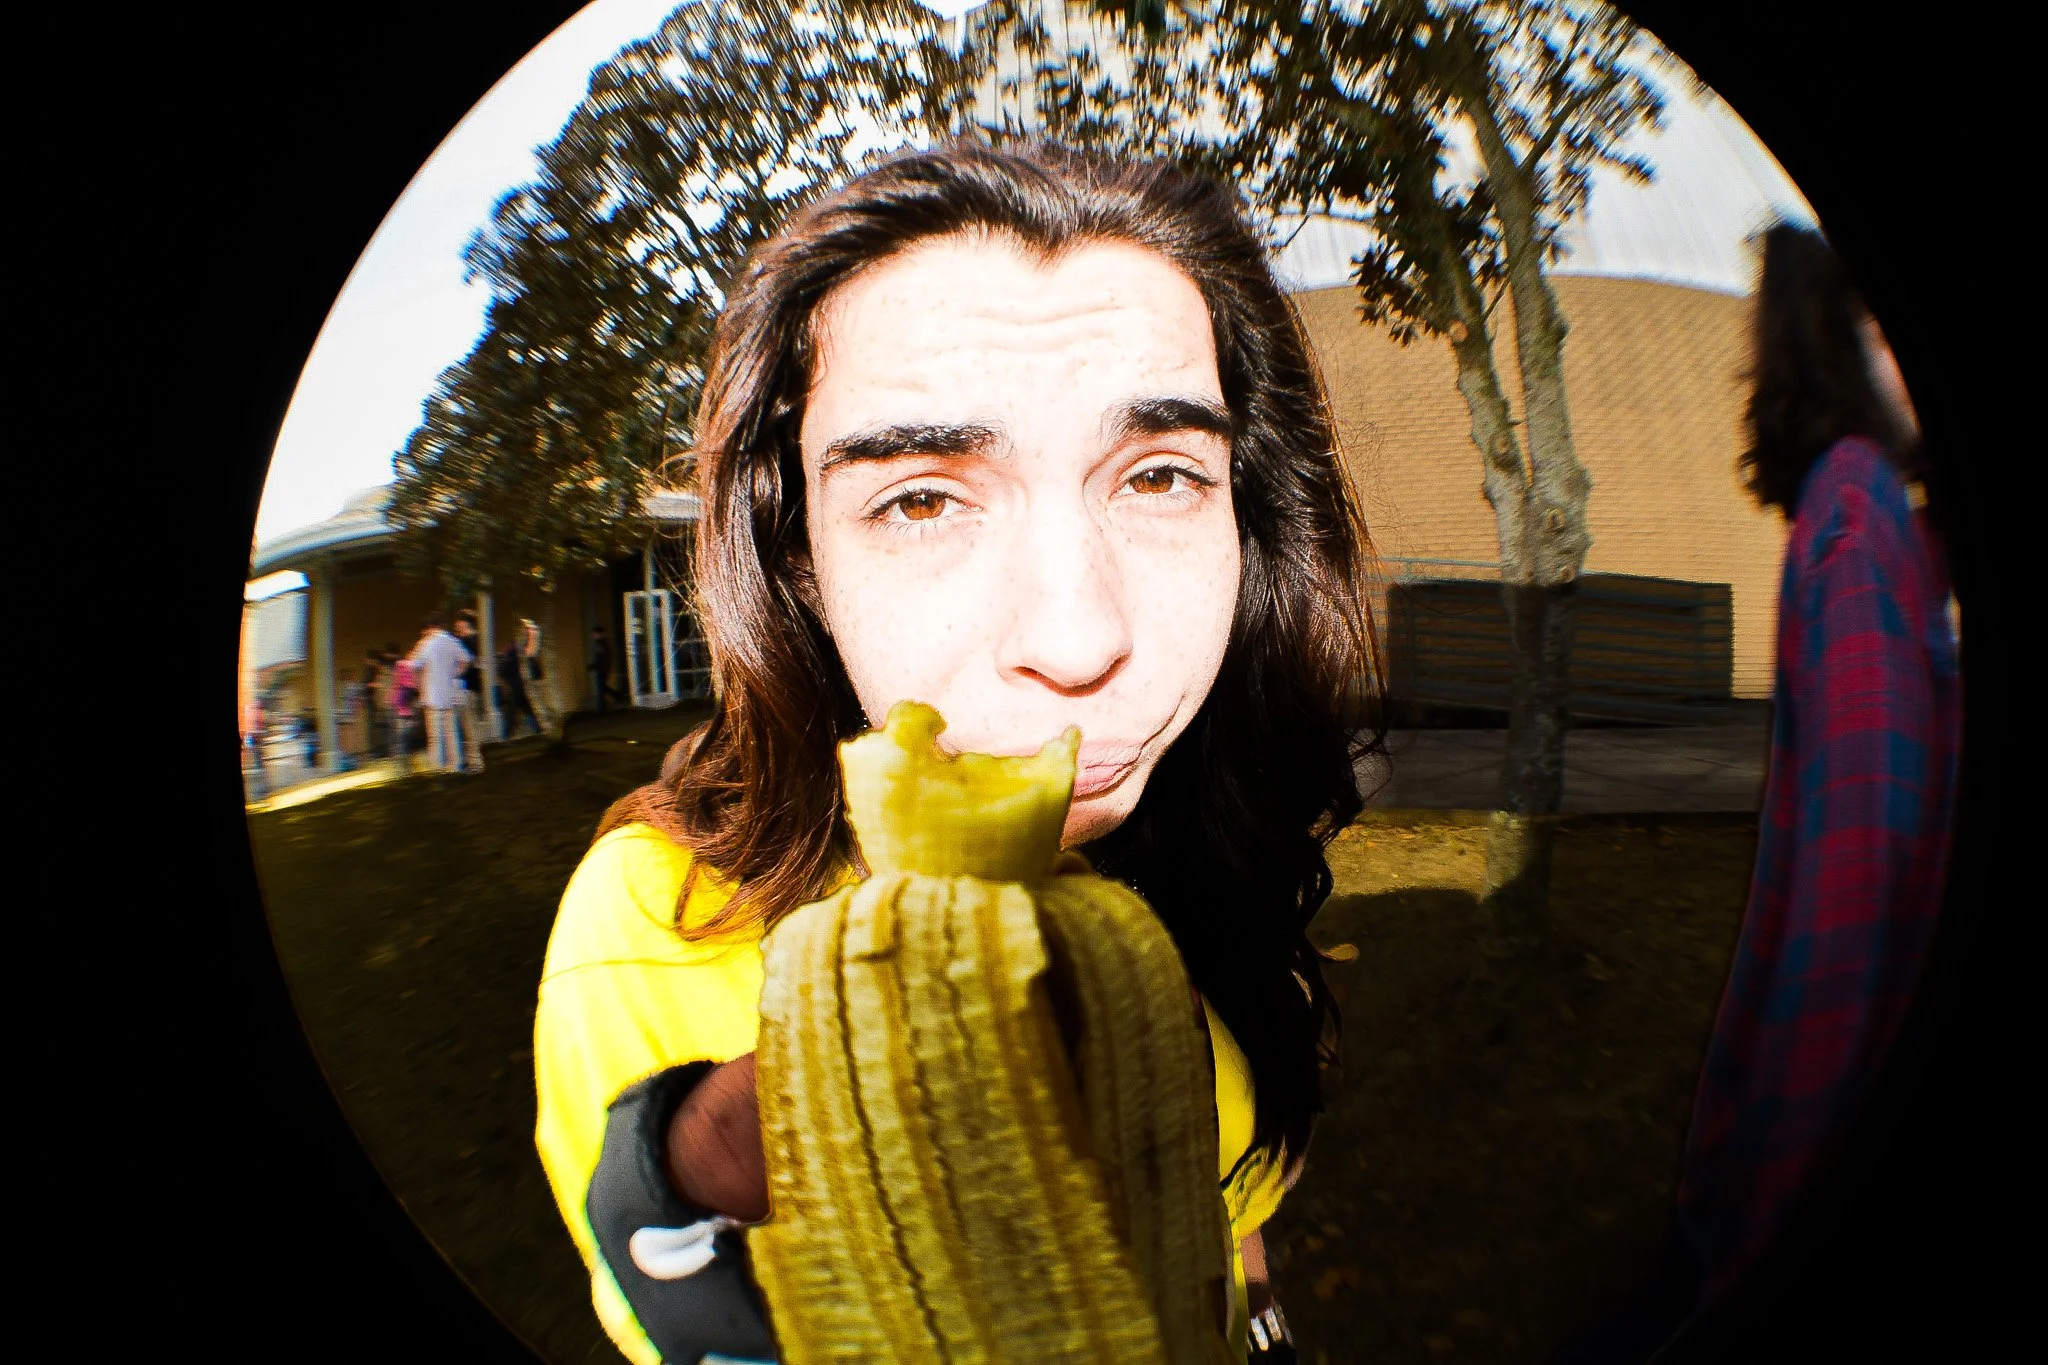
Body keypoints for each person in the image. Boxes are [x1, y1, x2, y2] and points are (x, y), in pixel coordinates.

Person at [533, 142, 1384, 1365]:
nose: (1079, 639)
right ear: (801, 568)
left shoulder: (1207, 836)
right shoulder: (647, 929)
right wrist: (669, 1173)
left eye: (1156, 476)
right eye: (920, 497)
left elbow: (1232, 1221)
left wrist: (1254, 1319)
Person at [1555, 224, 1960, 1363]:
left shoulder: (1870, 520)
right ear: (1843, 344)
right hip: (1815, 1114)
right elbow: (1858, 862)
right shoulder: (1854, 512)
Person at [405, 612, 473, 775]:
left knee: (435, 736)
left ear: (430, 627)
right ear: (443, 625)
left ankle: (437, 767)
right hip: (449, 693)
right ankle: (455, 765)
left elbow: (411, 664)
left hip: (431, 695)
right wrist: (456, 673)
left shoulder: (426, 644)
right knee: (452, 733)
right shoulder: (452, 641)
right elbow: (466, 659)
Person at [453, 609, 489, 772]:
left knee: (469, 726)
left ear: (464, 623)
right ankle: (474, 760)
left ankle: (476, 762)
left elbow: (466, 664)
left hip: (467, 688)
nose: (456, 626)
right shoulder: (478, 640)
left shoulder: (467, 641)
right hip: (473, 687)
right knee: (470, 725)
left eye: (458, 622)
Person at [498, 638, 541, 738]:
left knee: (511, 714)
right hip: (526, 690)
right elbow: (538, 673)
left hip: (516, 689)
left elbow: (503, 672)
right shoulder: (528, 657)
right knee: (531, 712)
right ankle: (539, 731)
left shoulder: (511, 656)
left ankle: (506, 736)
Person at [588, 625, 619, 713]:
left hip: (602, 669)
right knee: (602, 687)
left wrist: (594, 666)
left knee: (600, 688)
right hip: (603, 668)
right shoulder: (603, 643)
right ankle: (617, 695)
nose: (593, 636)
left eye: (594, 634)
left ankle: (602, 708)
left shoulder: (601, 644)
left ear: (599, 634)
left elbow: (601, 659)